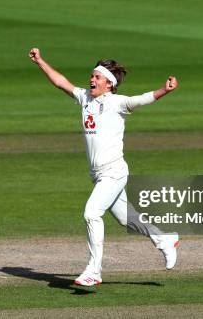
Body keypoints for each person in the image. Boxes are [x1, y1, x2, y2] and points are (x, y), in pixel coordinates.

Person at [28, 48, 179, 287]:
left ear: (109, 83)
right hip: (98, 175)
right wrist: (40, 62)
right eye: (92, 76)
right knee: (126, 219)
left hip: (114, 172)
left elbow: (141, 99)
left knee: (91, 213)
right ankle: (164, 239)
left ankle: (94, 271)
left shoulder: (118, 103)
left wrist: (165, 90)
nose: (91, 79)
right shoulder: (85, 98)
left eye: (97, 77)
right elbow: (60, 82)